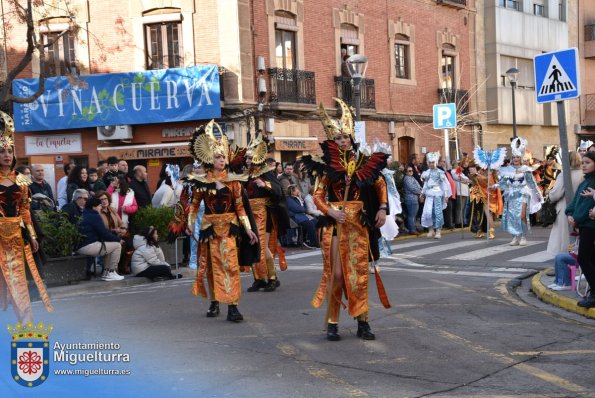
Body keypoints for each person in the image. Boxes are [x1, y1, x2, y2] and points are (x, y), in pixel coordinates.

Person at [303, 98, 390, 341]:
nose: (342, 140)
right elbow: (318, 195)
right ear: (332, 140)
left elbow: (380, 183)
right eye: (338, 138)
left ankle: (363, 321)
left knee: (359, 274)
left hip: (359, 225)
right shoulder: (326, 166)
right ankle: (332, 322)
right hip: (335, 225)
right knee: (338, 275)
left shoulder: (364, 162)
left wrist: (382, 209)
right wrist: (330, 211)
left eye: (345, 137)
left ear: (351, 138)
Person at [185, 120, 259, 322]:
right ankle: (214, 301)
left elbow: (240, 207)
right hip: (209, 229)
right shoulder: (202, 181)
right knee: (210, 266)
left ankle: (233, 306)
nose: (221, 160)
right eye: (218, 157)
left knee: (230, 266)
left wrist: (249, 228)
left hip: (230, 229)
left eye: (223, 157)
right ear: (211, 158)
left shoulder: (234, 181)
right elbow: (193, 205)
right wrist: (190, 223)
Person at [0, 111, 53, 323]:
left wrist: (32, 236)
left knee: (17, 279)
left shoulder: (22, 180)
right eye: (2, 151)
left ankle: (23, 319)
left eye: (9, 151)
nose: (6, 155)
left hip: (16, 235)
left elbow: (25, 210)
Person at [243, 133, 289, 292]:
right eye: (247, 158)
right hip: (249, 214)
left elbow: (278, 190)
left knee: (262, 246)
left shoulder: (266, 172)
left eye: (250, 157)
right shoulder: (246, 175)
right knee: (252, 245)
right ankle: (259, 279)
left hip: (264, 214)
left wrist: (265, 185)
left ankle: (272, 278)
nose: (248, 160)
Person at [498, 138, 543, 246]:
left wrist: (538, 194)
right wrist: (494, 186)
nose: (516, 159)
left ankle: (523, 236)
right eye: (514, 157)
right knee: (512, 216)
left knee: (522, 215)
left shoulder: (525, 169)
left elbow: (532, 183)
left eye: (518, 157)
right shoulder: (507, 169)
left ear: (521, 158)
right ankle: (515, 237)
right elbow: (502, 183)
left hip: (523, 194)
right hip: (512, 195)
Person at [565, 152, 595, 308]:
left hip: (590, 226)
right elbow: (574, 203)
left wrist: (576, 218)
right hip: (583, 225)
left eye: (588, 162)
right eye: (582, 162)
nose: (583, 165)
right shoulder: (584, 182)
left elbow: (586, 208)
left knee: (583, 258)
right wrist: (569, 214)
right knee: (590, 259)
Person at [76, 197, 125, 281]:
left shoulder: (84, 214)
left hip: (81, 246)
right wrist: (118, 239)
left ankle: (106, 274)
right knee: (117, 246)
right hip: (89, 246)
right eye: (99, 206)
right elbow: (104, 234)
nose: (100, 207)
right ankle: (111, 272)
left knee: (110, 246)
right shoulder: (95, 216)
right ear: (94, 207)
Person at [546, 151, 583, 256]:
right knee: (578, 237)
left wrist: (549, 194)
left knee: (563, 238)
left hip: (565, 208)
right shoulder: (584, 174)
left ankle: (565, 259)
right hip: (580, 208)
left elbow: (556, 193)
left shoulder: (564, 175)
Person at [467, 161, 503, 239]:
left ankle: (491, 231)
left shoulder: (490, 173)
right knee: (480, 214)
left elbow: (486, 181)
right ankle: (480, 231)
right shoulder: (481, 171)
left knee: (487, 213)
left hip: (488, 196)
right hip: (480, 195)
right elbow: (475, 182)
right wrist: (470, 178)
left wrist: (476, 174)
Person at [420, 152, 451, 239]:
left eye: (433, 162)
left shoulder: (440, 172)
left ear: (436, 162)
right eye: (429, 162)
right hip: (429, 194)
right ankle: (431, 229)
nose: (431, 164)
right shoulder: (426, 173)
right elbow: (425, 184)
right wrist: (422, 193)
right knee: (428, 212)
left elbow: (444, 184)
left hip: (437, 194)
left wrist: (446, 195)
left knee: (438, 212)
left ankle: (438, 230)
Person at [287, 184, 319, 249]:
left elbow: (304, 208)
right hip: (295, 218)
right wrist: (302, 209)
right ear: (292, 192)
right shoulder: (289, 199)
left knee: (315, 222)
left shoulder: (298, 198)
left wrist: (301, 199)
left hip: (302, 216)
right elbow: (298, 209)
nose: (298, 191)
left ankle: (313, 241)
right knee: (310, 224)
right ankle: (313, 243)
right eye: (296, 190)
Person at [403, 165, 422, 235]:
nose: (411, 172)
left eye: (412, 170)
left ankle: (413, 228)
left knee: (413, 215)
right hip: (410, 199)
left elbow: (418, 186)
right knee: (411, 215)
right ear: (406, 172)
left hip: (415, 199)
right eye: (409, 171)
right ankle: (412, 230)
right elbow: (412, 188)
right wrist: (420, 192)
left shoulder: (412, 177)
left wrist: (422, 191)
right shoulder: (407, 179)